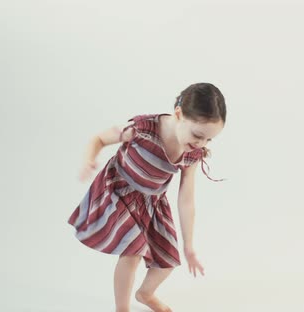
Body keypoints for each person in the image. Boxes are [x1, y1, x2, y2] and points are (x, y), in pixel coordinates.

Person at [67, 82, 226, 312]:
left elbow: (186, 199)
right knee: (132, 251)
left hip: (152, 203)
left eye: (208, 140)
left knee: (168, 261)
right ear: (179, 114)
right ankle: (122, 309)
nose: (201, 144)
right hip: (119, 190)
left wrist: (189, 245)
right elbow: (99, 139)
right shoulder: (143, 128)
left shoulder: (192, 154)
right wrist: (89, 159)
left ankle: (145, 293)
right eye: (197, 135)